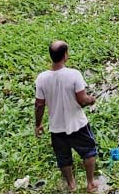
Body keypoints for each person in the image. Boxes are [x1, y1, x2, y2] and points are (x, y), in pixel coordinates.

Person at [35, 41, 98, 192]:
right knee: (88, 151)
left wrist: (38, 124)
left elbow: (39, 105)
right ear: (65, 55)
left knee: (63, 158)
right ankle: (90, 184)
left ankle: (71, 185)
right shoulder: (74, 74)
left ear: (51, 56)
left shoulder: (42, 78)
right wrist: (91, 100)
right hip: (77, 124)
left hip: (57, 127)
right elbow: (82, 100)